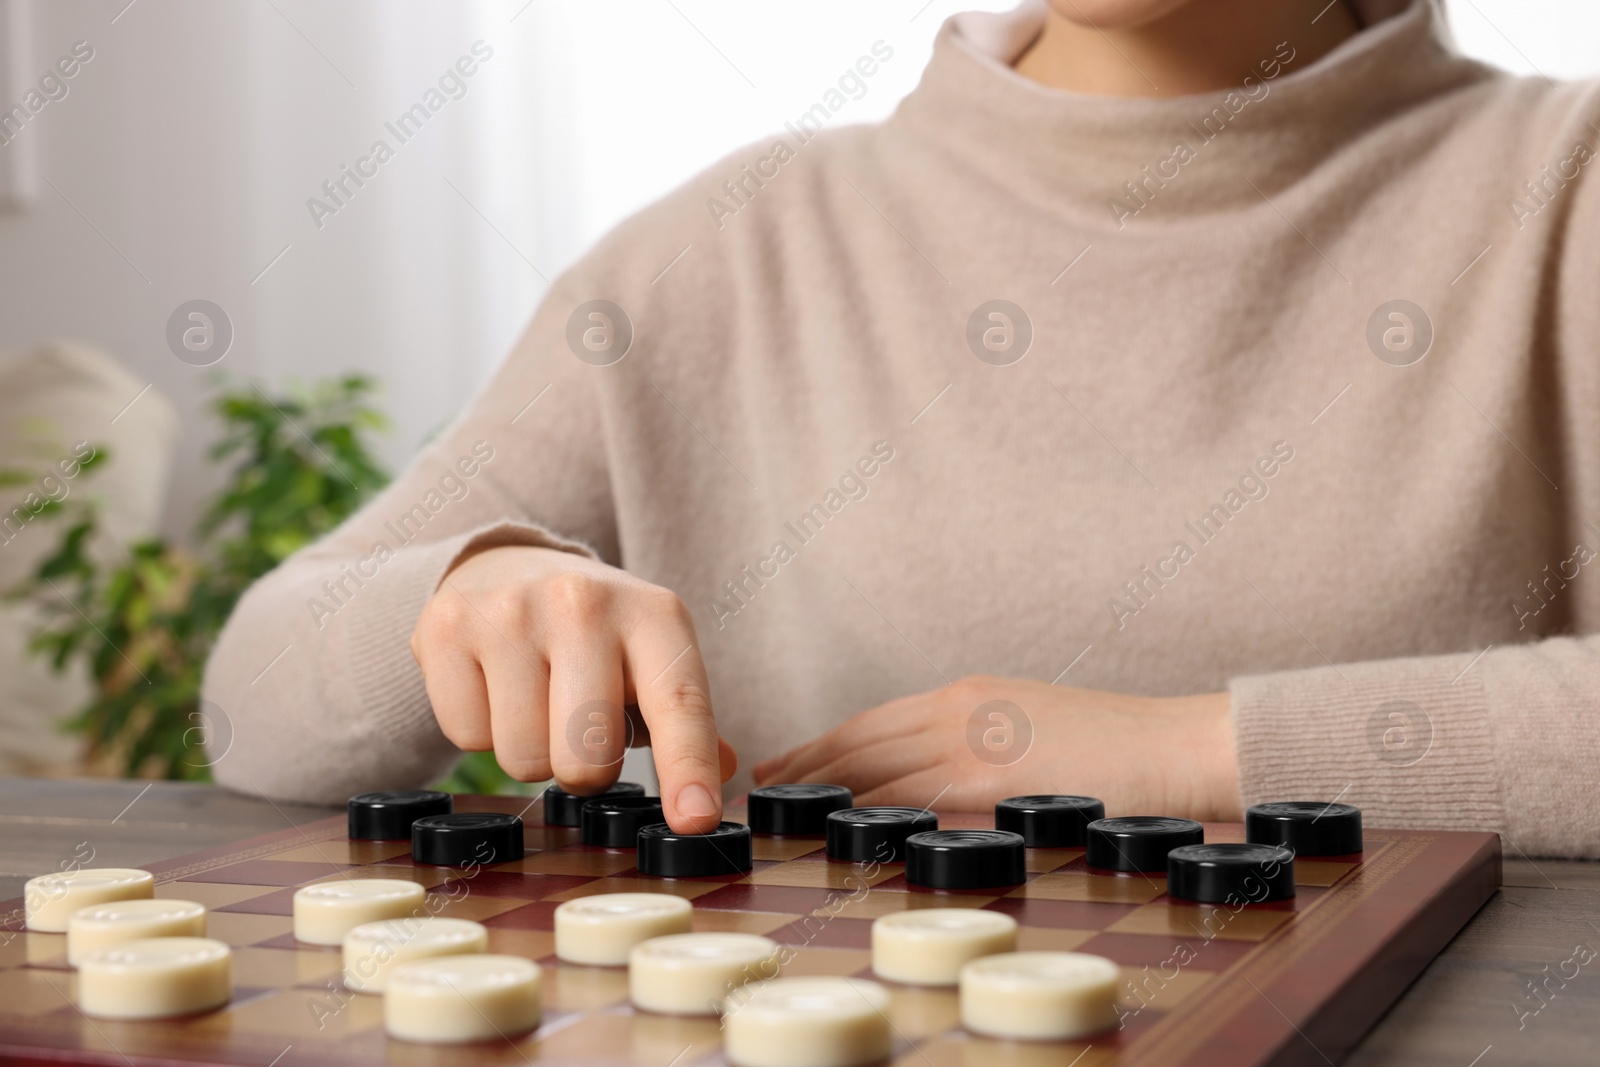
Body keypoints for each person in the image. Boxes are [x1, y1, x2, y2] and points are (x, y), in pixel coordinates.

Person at [203, 0, 1600, 858]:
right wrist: (465, 588)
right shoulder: (733, 246)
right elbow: (253, 703)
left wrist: (1185, 755)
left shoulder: (1565, 187)